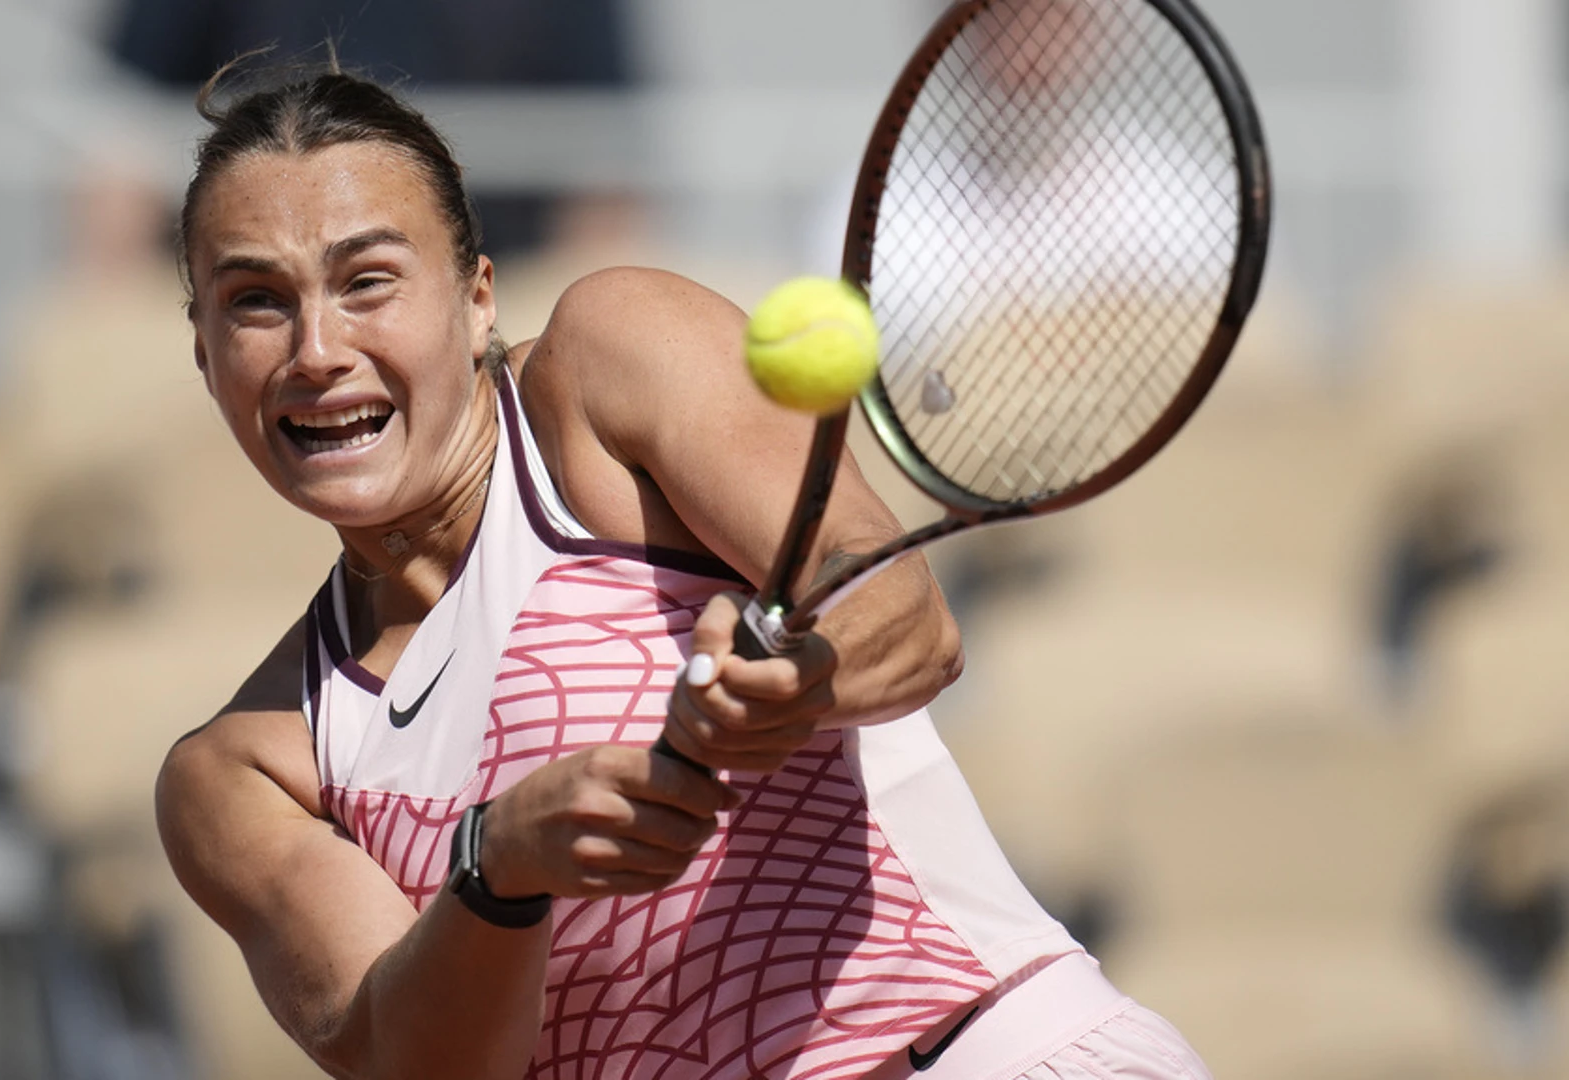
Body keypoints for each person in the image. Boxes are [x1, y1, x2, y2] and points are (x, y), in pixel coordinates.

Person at [155, 62, 1212, 1080]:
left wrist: (795, 684)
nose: (317, 349)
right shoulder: (239, 775)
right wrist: (499, 867)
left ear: (478, 300)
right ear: (204, 356)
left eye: (368, 281)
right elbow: (416, 1063)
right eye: (255, 301)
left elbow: (901, 614)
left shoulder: (609, 356)